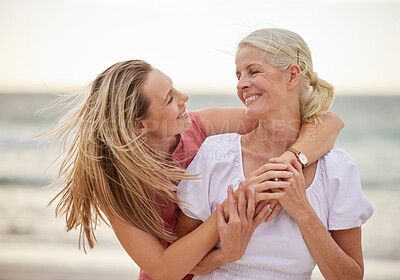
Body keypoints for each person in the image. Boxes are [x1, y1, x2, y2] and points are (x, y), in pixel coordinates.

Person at [45, 59, 344, 280]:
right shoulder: (116, 185)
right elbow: (163, 269)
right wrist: (231, 213)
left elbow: (326, 122)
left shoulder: (203, 126)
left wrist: (291, 158)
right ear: (140, 125)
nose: (184, 97)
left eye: (175, 88)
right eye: (169, 98)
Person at [177, 28, 373, 280]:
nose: (241, 84)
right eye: (238, 75)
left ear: (292, 75)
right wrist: (227, 252)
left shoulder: (337, 168)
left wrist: (302, 210)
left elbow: (351, 276)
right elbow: (181, 261)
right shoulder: (215, 155)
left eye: (253, 71)